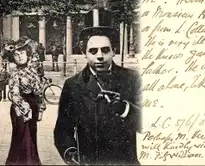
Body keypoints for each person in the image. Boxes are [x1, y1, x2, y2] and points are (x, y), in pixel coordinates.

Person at [54, 9, 141, 165]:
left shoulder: (132, 79)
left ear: (114, 51)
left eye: (105, 50)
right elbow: (62, 130)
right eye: (93, 51)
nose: (99, 55)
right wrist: (72, 154)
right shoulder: (73, 85)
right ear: (84, 53)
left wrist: (125, 109)